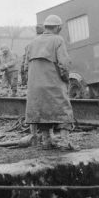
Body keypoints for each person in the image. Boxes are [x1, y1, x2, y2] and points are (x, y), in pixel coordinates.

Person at [25, 14, 78, 151]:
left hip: (35, 85)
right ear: (58, 27)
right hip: (53, 83)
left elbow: (25, 67)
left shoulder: (32, 43)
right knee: (63, 110)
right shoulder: (58, 40)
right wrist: (65, 79)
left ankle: (47, 141)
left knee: (42, 111)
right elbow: (64, 64)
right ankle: (65, 142)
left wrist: (31, 83)